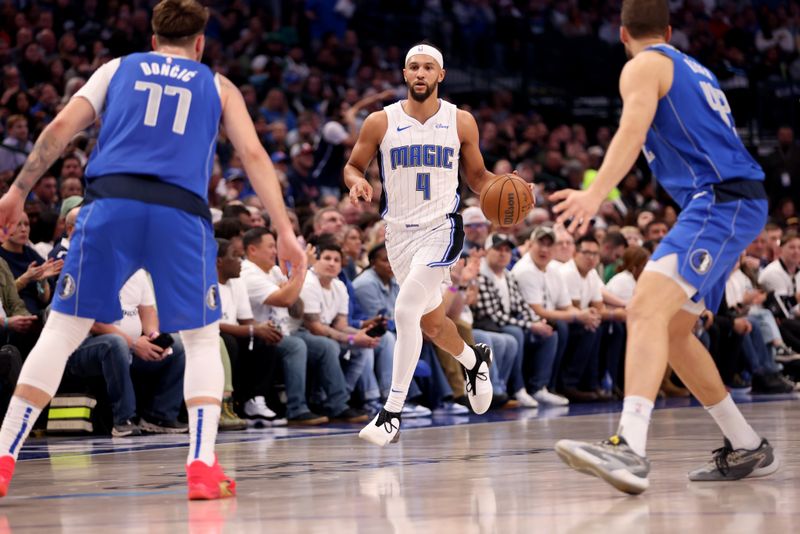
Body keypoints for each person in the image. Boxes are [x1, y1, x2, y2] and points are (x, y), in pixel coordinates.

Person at [0, 0, 305, 501]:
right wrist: (284, 228)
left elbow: (58, 130)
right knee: (204, 341)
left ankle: (5, 457)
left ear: (153, 39)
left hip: (110, 205)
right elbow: (252, 154)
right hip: (179, 213)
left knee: (61, 331)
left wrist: (18, 190)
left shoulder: (117, 69)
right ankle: (202, 469)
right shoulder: (217, 84)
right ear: (201, 44)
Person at [552, 0, 776, 495]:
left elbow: (631, 131)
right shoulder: (694, 68)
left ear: (623, 34)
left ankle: (629, 447)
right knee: (674, 332)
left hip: (719, 201)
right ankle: (745, 444)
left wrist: (594, 193)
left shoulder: (643, 65)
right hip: (733, 201)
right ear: (669, 30)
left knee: (644, 311)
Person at [345, 43, 495, 446]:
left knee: (405, 308)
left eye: (429, 67)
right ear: (405, 73)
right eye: (414, 67)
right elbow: (353, 165)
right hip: (397, 234)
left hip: (442, 229)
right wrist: (357, 181)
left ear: (440, 75)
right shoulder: (381, 121)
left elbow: (478, 177)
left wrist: (502, 190)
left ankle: (391, 412)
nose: (421, 73)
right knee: (430, 323)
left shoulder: (460, 122)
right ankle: (472, 359)